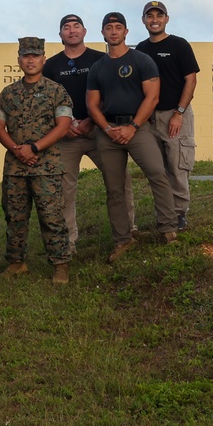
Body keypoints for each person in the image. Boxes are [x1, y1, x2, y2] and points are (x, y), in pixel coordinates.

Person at [87, 13, 178, 263]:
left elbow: (152, 97)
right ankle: (122, 239)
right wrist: (107, 129)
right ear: (103, 33)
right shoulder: (98, 67)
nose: (114, 32)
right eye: (109, 28)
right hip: (108, 133)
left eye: (118, 27)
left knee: (158, 174)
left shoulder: (142, 60)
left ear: (126, 32)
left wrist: (133, 126)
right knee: (114, 188)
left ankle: (169, 229)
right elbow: (92, 104)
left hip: (139, 129)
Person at [43, 14, 133, 255]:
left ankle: (128, 231)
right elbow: (46, 102)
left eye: (76, 26)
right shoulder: (50, 66)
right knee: (63, 190)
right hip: (66, 135)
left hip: (98, 132)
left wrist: (91, 121)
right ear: (60, 35)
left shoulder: (100, 59)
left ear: (85, 32)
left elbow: (111, 93)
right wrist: (65, 125)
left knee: (119, 181)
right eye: (66, 27)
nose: (72, 31)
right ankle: (68, 243)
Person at [0, 37, 73, 284]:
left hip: (47, 167)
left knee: (52, 216)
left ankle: (60, 265)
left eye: (35, 55)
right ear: (19, 60)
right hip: (16, 168)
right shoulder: (7, 94)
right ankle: (17, 262)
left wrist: (34, 148)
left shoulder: (56, 91)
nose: (30, 60)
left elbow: (63, 126)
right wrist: (17, 149)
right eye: (26, 56)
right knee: (15, 217)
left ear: (43, 60)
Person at [136, 1, 200, 230]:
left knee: (177, 166)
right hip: (149, 118)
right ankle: (164, 215)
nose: (155, 19)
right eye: (149, 15)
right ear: (143, 20)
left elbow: (191, 80)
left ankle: (180, 213)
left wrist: (179, 113)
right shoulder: (140, 50)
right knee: (158, 169)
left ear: (167, 19)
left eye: (159, 15)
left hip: (176, 115)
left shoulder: (179, 45)